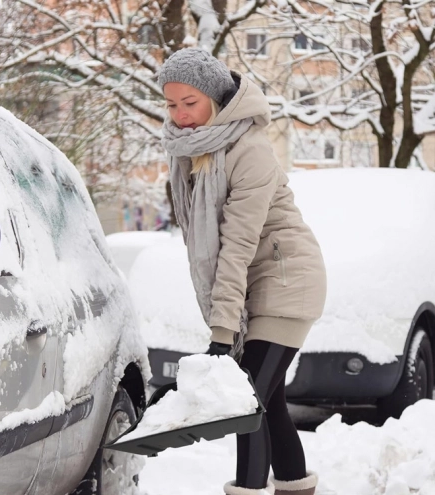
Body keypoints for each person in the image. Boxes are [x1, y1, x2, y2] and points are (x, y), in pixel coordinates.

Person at [157, 48, 327, 495]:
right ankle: (295, 487)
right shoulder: (189, 152)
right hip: (254, 282)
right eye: (171, 104)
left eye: (189, 102)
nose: (180, 115)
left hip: (287, 279)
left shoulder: (249, 149)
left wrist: (220, 332)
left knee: (245, 402)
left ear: (214, 98)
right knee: (268, 404)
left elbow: (234, 247)